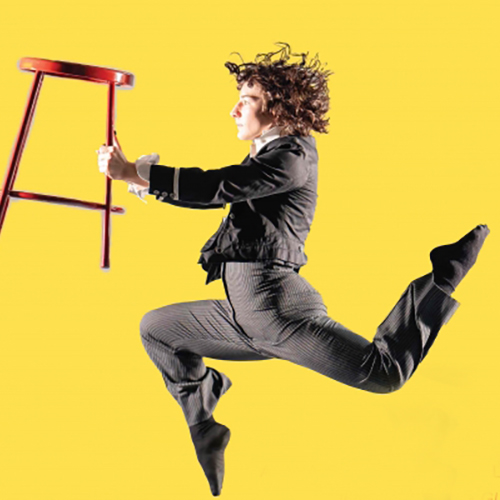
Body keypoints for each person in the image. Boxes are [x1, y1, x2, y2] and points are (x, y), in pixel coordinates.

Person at [97, 43, 489, 496]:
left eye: (246, 100)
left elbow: (219, 186)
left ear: (278, 105)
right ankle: (205, 421)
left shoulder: (292, 157)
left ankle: (442, 276)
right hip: (243, 316)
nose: (233, 110)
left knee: (385, 374)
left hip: (278, 312)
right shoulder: (271, 153)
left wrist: (138, 172)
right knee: (157, 330)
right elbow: (218, 192)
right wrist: (132, 177)